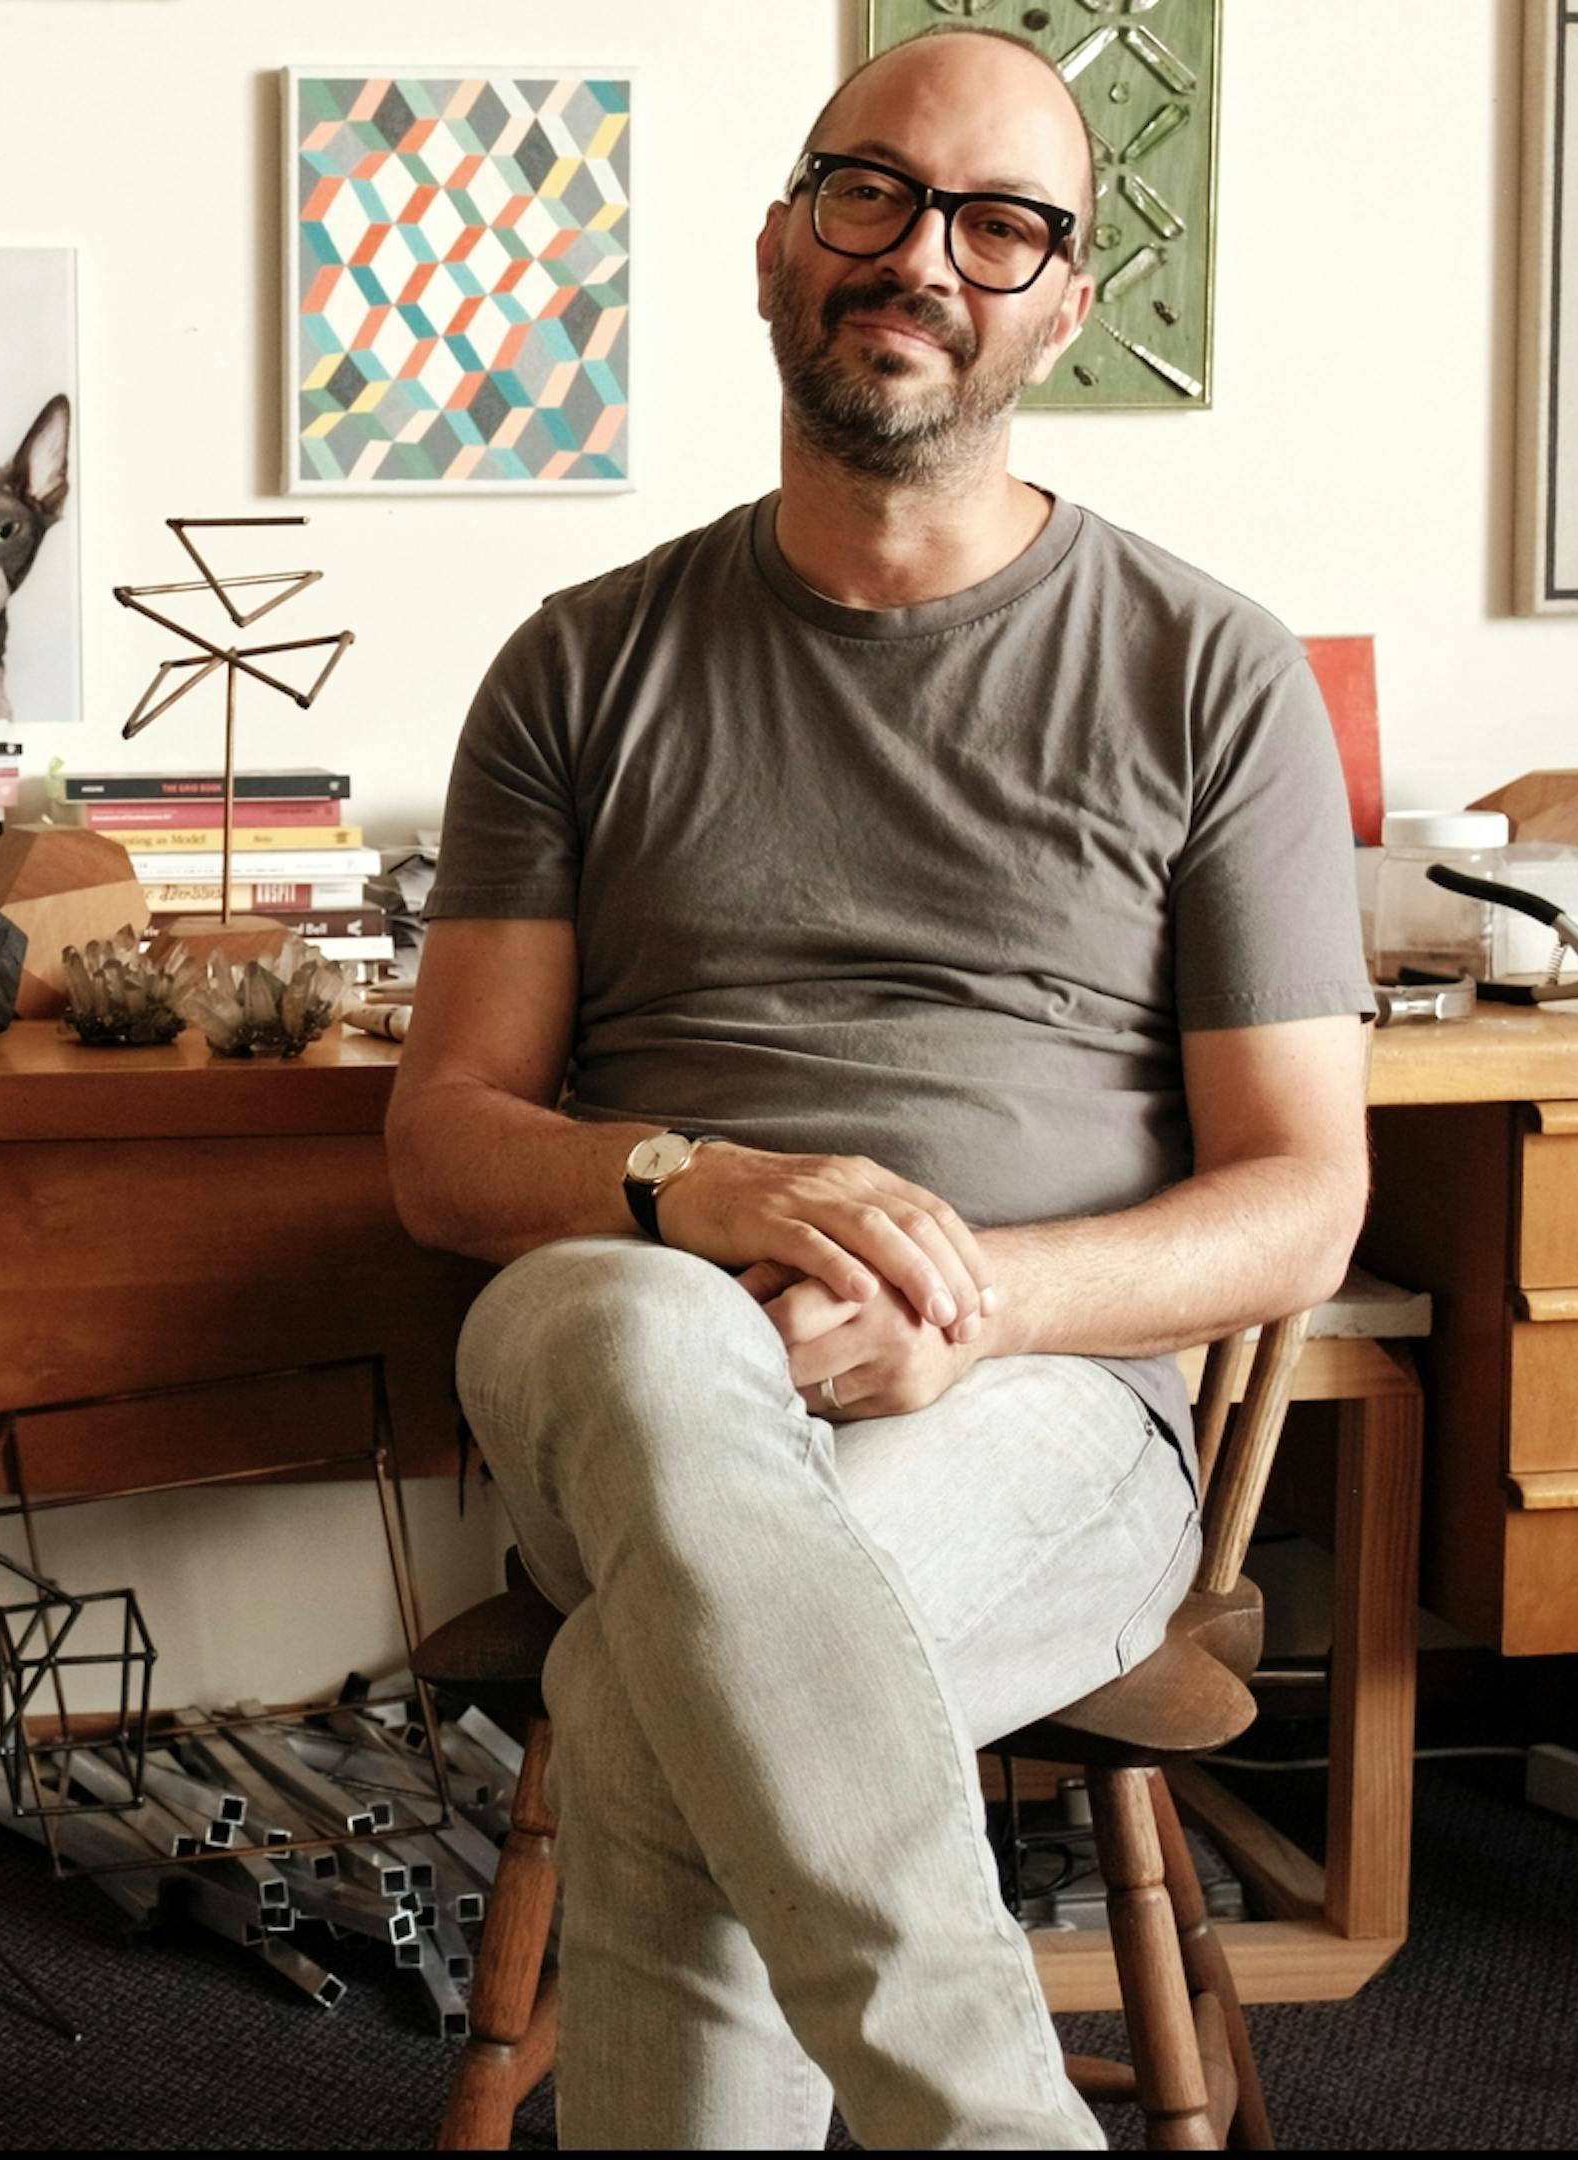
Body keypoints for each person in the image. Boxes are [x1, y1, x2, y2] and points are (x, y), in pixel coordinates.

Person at [381, 25, 1375, 2149]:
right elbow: (448, 1143)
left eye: (998, 223)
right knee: (641, 1342)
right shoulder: (580, 663)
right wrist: (694, 1186)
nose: (924, 256)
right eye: (876, 193)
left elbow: (1303, 1201)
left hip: (1047, 1414)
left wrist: (968, 1301)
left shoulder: (1208, 668)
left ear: (1064, 303)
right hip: (636, 1339)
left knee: (666, 1721)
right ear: (779, 236)